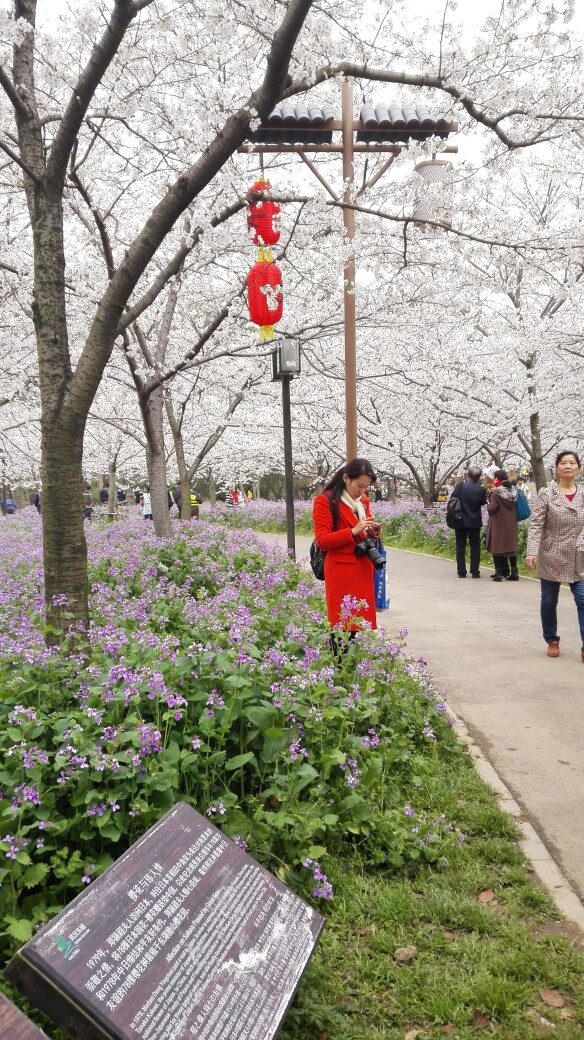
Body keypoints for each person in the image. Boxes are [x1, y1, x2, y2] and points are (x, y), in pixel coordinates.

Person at [526, 450, 584, 660]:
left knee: (583, 599)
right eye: (563, 463)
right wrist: (532, 552)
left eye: (572, 463)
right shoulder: (546, 494)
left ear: (578, 467)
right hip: (552, 553)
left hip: (579, 554)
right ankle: (552, 639)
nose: (567, 466)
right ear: (556, 467)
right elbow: (536, 525)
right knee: (549, 600)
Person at [312, 458, 381, 633]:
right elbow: (322, 540)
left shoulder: (362, 501)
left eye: (366, 487)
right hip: (341, 573)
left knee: (363, 629)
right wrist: (353, 531)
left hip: (363, 568)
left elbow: (364, 529)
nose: (362, 491)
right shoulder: (324, 501)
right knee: (343, 627)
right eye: (359, 485)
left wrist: (373, 531)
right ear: (345, 478)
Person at [449, 465, 487, 578]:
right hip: (474, 521)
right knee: (475, 546)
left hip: (460, 520)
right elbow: (483, 502)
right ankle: (475, 571)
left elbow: (453, 498)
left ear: (468, 475)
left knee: (460, 546)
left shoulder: (460, 486)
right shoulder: (482, 490)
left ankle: (461, 571)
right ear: (479, 477)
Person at [486, 469, 518, 581]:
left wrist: (488, 502)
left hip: (499, 522)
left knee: (497, 545)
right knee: (511, 546)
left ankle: (499, 573)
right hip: (511, 522)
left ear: (496, 478)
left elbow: (492, 508)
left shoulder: (495, 492)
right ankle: (514, 572)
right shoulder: (513, 491)